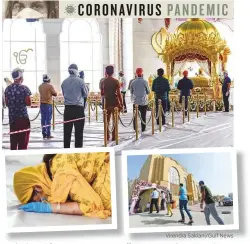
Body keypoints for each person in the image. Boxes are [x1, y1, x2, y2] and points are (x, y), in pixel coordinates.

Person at [14, 152, 111, 218]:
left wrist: (51, 208)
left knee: (106, 204)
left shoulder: (61, 174)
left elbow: (92, 204)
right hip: (100, 171)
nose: (44, 202)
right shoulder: (51, 168)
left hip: (107, 166)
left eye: (39, 201)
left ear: (37, 188)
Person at [61, 64, 88, 148]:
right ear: (76, 70)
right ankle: (78, 151)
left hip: (68, 109)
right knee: (79, 133)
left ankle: (66, 150)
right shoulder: (80, 81)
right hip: (78, 109)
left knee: (67, 133)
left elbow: (64, 94)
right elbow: (86, 94)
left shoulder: (64, 82)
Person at [5, 68, 31, 150]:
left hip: (12, 119)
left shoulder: (7, 89)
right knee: (22, 143)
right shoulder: (24, 89)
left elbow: (7, 103)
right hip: (22, 119)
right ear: (21, 78)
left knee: (13, 141)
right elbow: (28, 103)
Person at [102, 65, 123, 141]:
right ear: (113, 72)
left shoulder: (103, 81)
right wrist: (121, 103)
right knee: (115, 121)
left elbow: (102, 93)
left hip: (107, 103)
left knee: (106, 121)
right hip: (115, 103)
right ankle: (114, 137)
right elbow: (119, 93)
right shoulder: (116, 81)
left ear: (106, 72)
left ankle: (107, 136)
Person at [130, 68, 150, 132]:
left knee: (135, 116)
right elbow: (148, 92)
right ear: (142, 74)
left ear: (136, 74)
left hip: (135, 102)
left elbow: (131, 92)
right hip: (143, 102)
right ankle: (143, 129)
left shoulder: (133, 82)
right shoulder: (145, 82)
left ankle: (135, 128)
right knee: (143, 116)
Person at [38, 74, 57, 139]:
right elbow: (55, 94)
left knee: (43, 119)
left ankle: (44, 133)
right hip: (48, 104)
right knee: (48, 119)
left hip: (42, 104)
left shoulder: (40, 86)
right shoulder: (50, 86)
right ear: (48, 79)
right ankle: (48, 134)